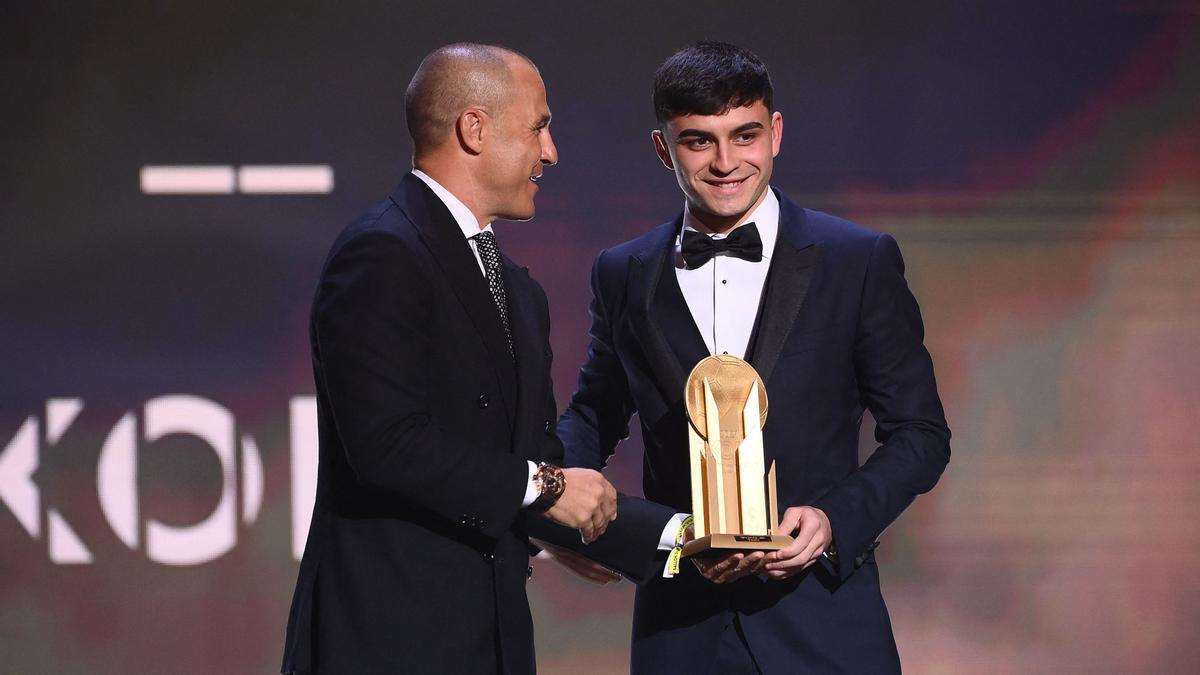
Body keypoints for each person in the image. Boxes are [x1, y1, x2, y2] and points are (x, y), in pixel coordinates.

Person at [554, 41, 951, 673]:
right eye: (699, 141)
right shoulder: (623, 271)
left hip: (825, 622)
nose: (726, 162)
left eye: (745, 136)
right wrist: (559, 510)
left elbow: (922, 434)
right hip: (680, 627)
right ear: (663, 148)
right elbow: (593, 417)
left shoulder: (857, 259)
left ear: (777, 134)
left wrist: (831, 521)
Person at [281, 43, 618, 675]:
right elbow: (388, 446)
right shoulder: (382, 253)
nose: (552, 152)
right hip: (386, 645)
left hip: (490, 644)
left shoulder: (518, 289)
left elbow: (527, 459)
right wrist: (546, 489)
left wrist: (642, 539)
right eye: (539, 126)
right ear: (474, 128)